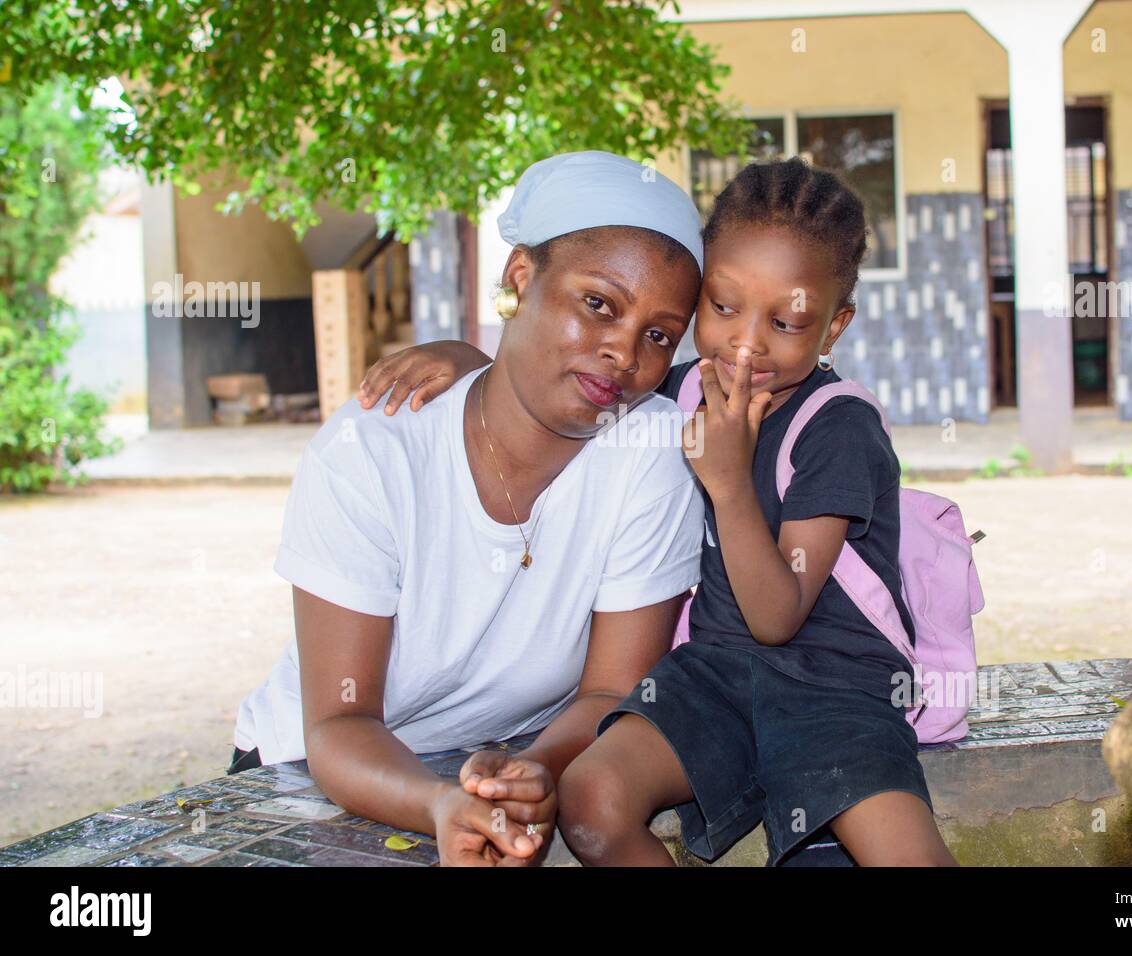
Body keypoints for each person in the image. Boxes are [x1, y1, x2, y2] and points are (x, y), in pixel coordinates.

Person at [358, 157, 958, 866]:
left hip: (835, 690)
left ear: (832, 328)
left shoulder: (839, 429)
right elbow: (569, 369)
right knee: (589, 800)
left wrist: (730, 484)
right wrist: (466, 356)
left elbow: (778, 614)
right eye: (724, 306)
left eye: (787, 321)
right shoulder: (679, 391)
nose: (746, 343)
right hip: (711, 680)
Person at [231, 150, 708, 866]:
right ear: (521, 278)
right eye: (598, 304)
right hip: (318, 772)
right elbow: (338, 721)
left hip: (500, 762)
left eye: (659, 336)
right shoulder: (374, 452)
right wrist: (438, 804)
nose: (623, 352)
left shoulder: (651, 457)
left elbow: (610, 690)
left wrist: (538, 770)